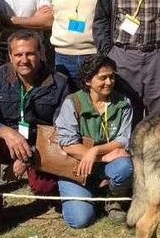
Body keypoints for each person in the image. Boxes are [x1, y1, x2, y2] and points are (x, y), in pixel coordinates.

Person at [0, 30, 68, 228]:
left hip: (40, 144)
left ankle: (48, 191)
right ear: (10, 56)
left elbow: (61, 128)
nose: (24, 60)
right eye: (18, 55)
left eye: (30, 54)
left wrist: (28, 155)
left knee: (44, 187)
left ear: (41, 53)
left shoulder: (59, 82)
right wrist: (6, 133)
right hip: (5, 141)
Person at [55, 54, 134, 228]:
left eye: (111, 76)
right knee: (80, 220)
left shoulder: (123, 103)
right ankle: (86, 194)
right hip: (77, 165)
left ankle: (113, 202)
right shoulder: (72, 103)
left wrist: (96, 151)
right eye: (102, 78)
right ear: (88, 80)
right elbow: (67, 143)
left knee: (125, 166)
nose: (109, 82)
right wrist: (100, 156)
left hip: (107, 163)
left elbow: (123, 138)